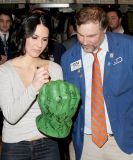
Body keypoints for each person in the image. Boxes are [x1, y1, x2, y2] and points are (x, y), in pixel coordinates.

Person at [61, 6, 133, 160]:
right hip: (86, 143)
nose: (84, 41)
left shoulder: (128, 47)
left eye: (91, 35)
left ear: (105, 28)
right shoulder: (68, 58)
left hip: (125, 142)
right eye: (80, 35)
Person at [0, 12, 63, 160]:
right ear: (24, 35)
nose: (39, 45)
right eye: (34, 37)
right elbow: (11, 116)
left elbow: (58, 115)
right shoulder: (5, 71)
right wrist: (34, 87)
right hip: (15, 146)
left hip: (49, 143)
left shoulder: (55, 68)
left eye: (44, 39)